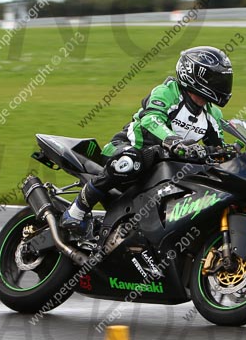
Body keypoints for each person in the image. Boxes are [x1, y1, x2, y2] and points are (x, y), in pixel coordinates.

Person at [61, 46, 234, 232]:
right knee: (129, 162)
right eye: (216, 79)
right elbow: (151, 119)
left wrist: (234, 153)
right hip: (127, 148)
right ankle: (76, 211)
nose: (222, 85)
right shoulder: (167, 92)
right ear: (193, 75)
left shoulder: (213, 114)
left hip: (165, 163)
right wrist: (173, 140)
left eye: (224, 79)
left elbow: (218, 149)